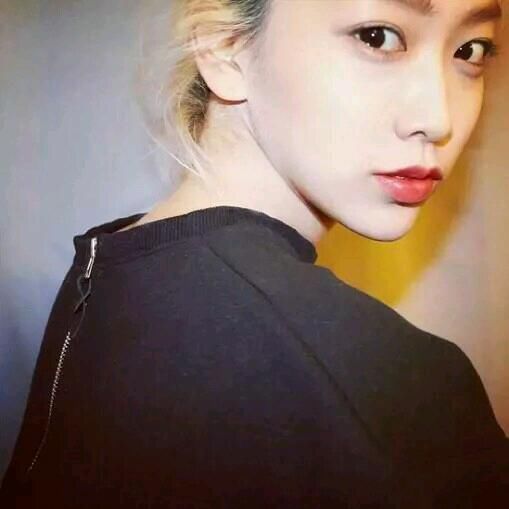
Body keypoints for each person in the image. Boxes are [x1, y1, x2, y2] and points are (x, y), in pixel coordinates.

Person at [1, 0, 508, 506]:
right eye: (378, 36)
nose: (438, 118)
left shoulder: (112, 271)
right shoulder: (402, 387)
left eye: (471, 50)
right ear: (225, 48)